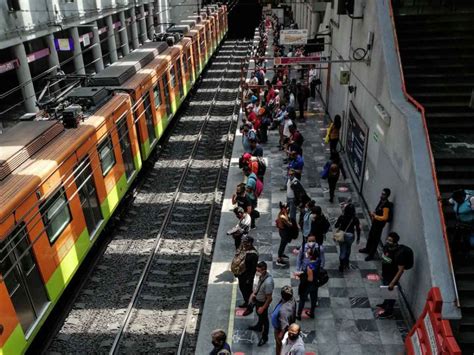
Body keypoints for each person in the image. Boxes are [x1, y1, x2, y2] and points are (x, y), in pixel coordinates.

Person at [377, 232, 411, 318]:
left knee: (391, 294)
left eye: (390, 240)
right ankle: (385, 304)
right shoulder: (387, 247)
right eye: (387, 239)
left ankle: (389, 311)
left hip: (392, 277)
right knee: (386, 290)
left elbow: (401, 270)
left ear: (395, 242)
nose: (387, 241)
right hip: (385, 274)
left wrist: (393, 282)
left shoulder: (399, 254)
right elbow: (385, 260)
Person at [359, 188, 393, 261]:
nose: (381, 195)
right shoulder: (382, 201)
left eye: (383, 194)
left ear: (387, 195)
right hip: (375, 223)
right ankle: (367, 249)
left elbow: (385, 217)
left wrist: (375, 216)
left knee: (375, 240)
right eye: (382, 193)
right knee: (371, 236)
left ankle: (371, 255)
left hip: (379, 225)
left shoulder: (386, 206)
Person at [247, 261, 274, 346]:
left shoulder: (268, 282)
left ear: (264, 270)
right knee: (260, 316)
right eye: (257, 270)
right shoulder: (262, 276)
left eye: (258, 271)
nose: (257, 272)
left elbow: (269, 298)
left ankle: (264, 337)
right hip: (258, 300)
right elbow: (259, 285)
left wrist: (263, 307)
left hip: (263, 303)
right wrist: (254, 293)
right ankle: (259, 326)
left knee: (265, 320)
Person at [334, 203, 361, 272]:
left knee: (342, 249)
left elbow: (336, 226)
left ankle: (341, 265)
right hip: (350, 236)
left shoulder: (342, 217)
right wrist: (358, 238)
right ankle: (346, 262)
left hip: (342, 235)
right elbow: (358, 229)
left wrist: (340, 223)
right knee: (348, 248)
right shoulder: (355, 218)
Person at [234, 236, 259, 308]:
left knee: (247, 291)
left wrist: (250, 279)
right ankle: (247, 301)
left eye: (245, 242)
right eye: (243, 242)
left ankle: (250, 304)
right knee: (242, 288)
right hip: (241, 274)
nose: (243, 244)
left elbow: (253, 269)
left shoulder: (253, 254)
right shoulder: (243, 249)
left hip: (247, 276)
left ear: (250, 243)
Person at [271, 286, 297, 355]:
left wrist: (280, 335)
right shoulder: (292, 299)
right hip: (280, 327)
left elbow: (285, 325)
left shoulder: (284, 311)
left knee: (280, 346)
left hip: (279, 330)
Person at [296, 247, 320, 319]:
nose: (306, 253)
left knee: (302, 299)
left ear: (310, 255)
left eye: (308, 252)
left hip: (308, 285)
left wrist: (301, 275)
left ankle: (299, 315)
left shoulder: (310, 266)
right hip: (315, 284)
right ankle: (312, 313)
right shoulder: (318, 261)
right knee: (313, 299)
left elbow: (310, 279)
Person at [449, 189, 474, 257]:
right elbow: (451, 201)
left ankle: (465, 253)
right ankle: (454, 251)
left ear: (463, 198)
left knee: (468, 240)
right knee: (457, 236)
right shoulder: (456, 198)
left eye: (458, 200)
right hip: (460, 222)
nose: (456, 201)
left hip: (469, 223)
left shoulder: (472, 200)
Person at [276, 202, 293, 266]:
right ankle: (279, 259)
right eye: (286, 208)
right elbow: (289, 224)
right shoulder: (282, 216)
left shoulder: (282, 213)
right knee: (282, 245)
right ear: (283, 209)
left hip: (283, 231)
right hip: (284, 233)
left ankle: (281, 254)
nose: (288, 209)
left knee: (283, 244)